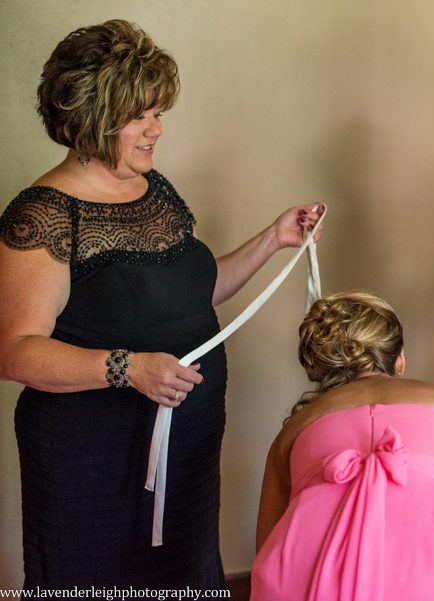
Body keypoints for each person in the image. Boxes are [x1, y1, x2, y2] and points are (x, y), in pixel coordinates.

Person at [0, 19, 324, 587]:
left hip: (188, 439)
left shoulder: (154, 188)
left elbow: (191, 296)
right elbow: (15, 352)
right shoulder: (43, 214)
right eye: (139, 116)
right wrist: (130, 369)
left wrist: (273, 240)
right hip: (93, 456)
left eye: (157, 112)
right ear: (95, 119)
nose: (156, 130)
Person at [251, 291, 434, 601]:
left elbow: (268, 546)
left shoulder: (293, 432)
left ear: (321, 371)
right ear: (400, 359)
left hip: (309, 582)